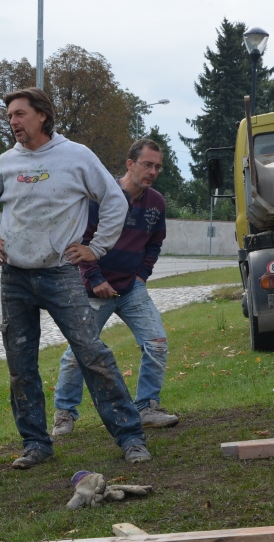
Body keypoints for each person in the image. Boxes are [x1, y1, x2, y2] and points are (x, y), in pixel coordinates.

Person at [0, 87, 150, 468]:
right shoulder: (6, 162)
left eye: (20, 114)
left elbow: (114, 199)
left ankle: (131, 437)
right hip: (15, 277)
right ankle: (36, 444)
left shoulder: (76, 156)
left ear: (43, 116)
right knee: (20, 365)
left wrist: (96, 248)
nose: (13, 121)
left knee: (92, 354)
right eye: (10, 116)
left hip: (61, 274)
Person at [51, 138, 179, 436]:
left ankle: (147, 407)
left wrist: (142, 276)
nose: (152, 172)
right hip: (95, 290)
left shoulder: (156, 203)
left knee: (157, 343)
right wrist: (95, 279)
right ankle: (64, 413)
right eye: (147, 165)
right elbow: (81, 241)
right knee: (79, 351)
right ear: (130, 163)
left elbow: (154, 243)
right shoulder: (101, 196)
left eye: (157, 167)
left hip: (132, 289)